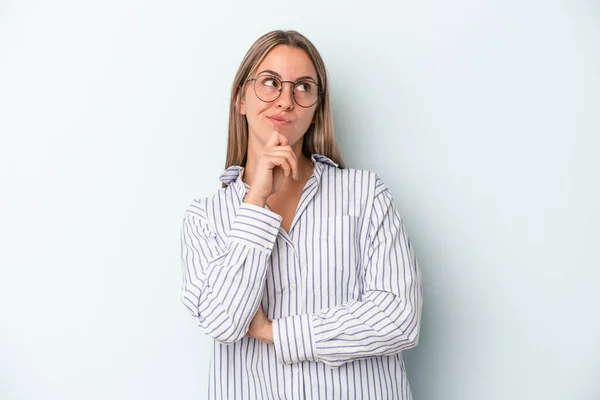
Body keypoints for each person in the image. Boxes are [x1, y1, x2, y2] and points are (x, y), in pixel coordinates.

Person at [180, 29, 423, 400]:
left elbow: (399, 318)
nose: (285, 101)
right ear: (240, 99)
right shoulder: (205, 218)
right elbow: (221, 321)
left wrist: (274, 332)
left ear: (316, 108)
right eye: (270, 83)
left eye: (303, 87)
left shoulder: (364, 194)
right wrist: (257, 200)